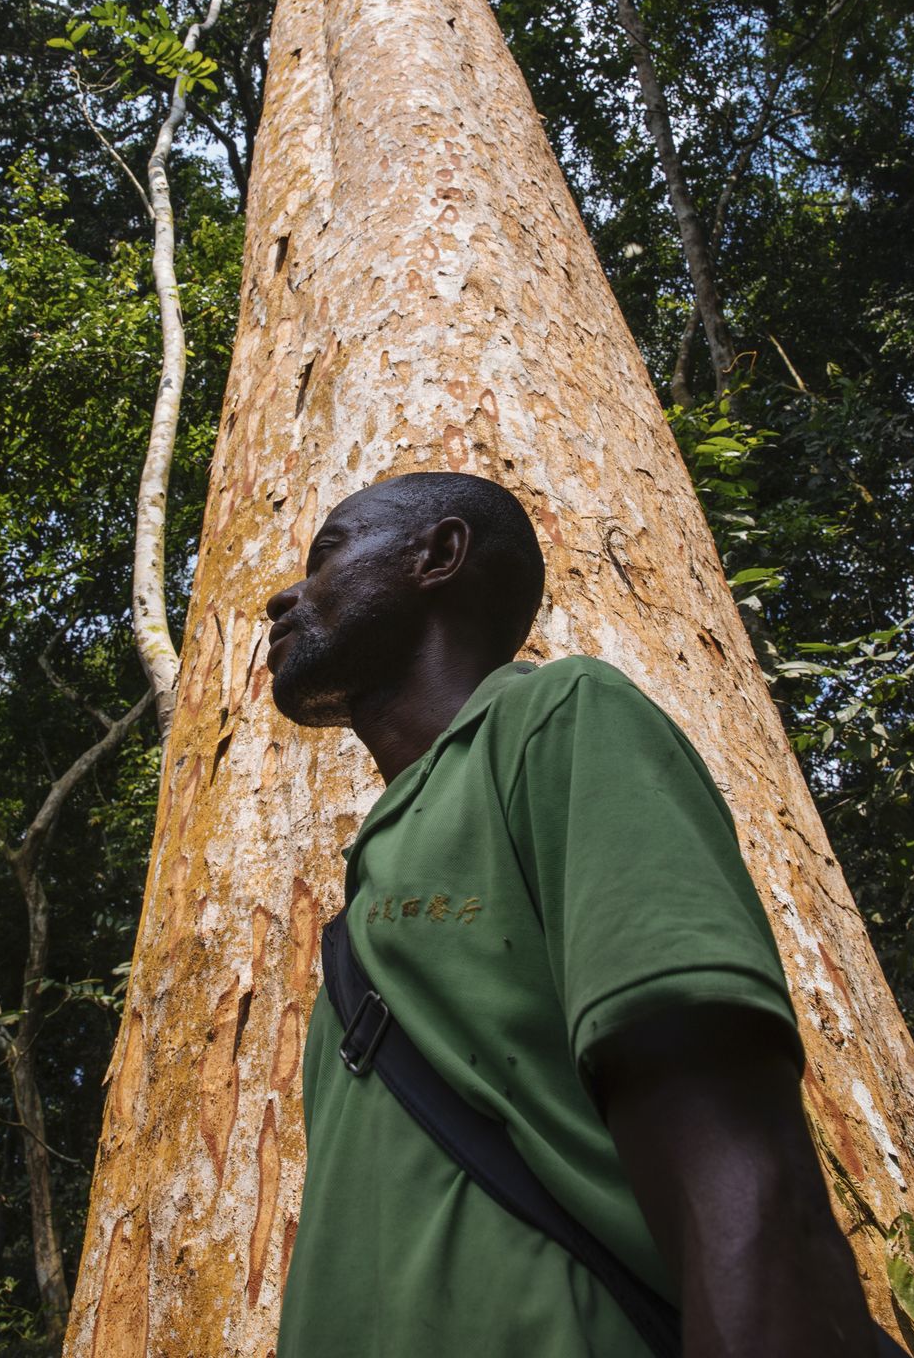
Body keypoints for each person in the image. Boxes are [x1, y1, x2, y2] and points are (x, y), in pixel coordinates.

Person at [266, 471, 878, 1357]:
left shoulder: (557, 717)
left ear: (439, 555)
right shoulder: (375, 879)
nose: (282, 595)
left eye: (326, 556)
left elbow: (729, 1140)